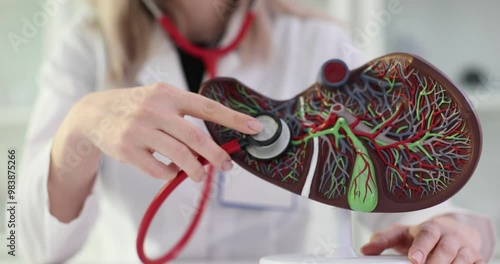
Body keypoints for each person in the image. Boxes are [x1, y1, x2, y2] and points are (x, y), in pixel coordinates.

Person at [18, 0, 495, 263]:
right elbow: (31, 244)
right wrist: (82, 126)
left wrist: (454, 229)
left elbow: (415, 197)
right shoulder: (86, 48)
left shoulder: (319, 44)